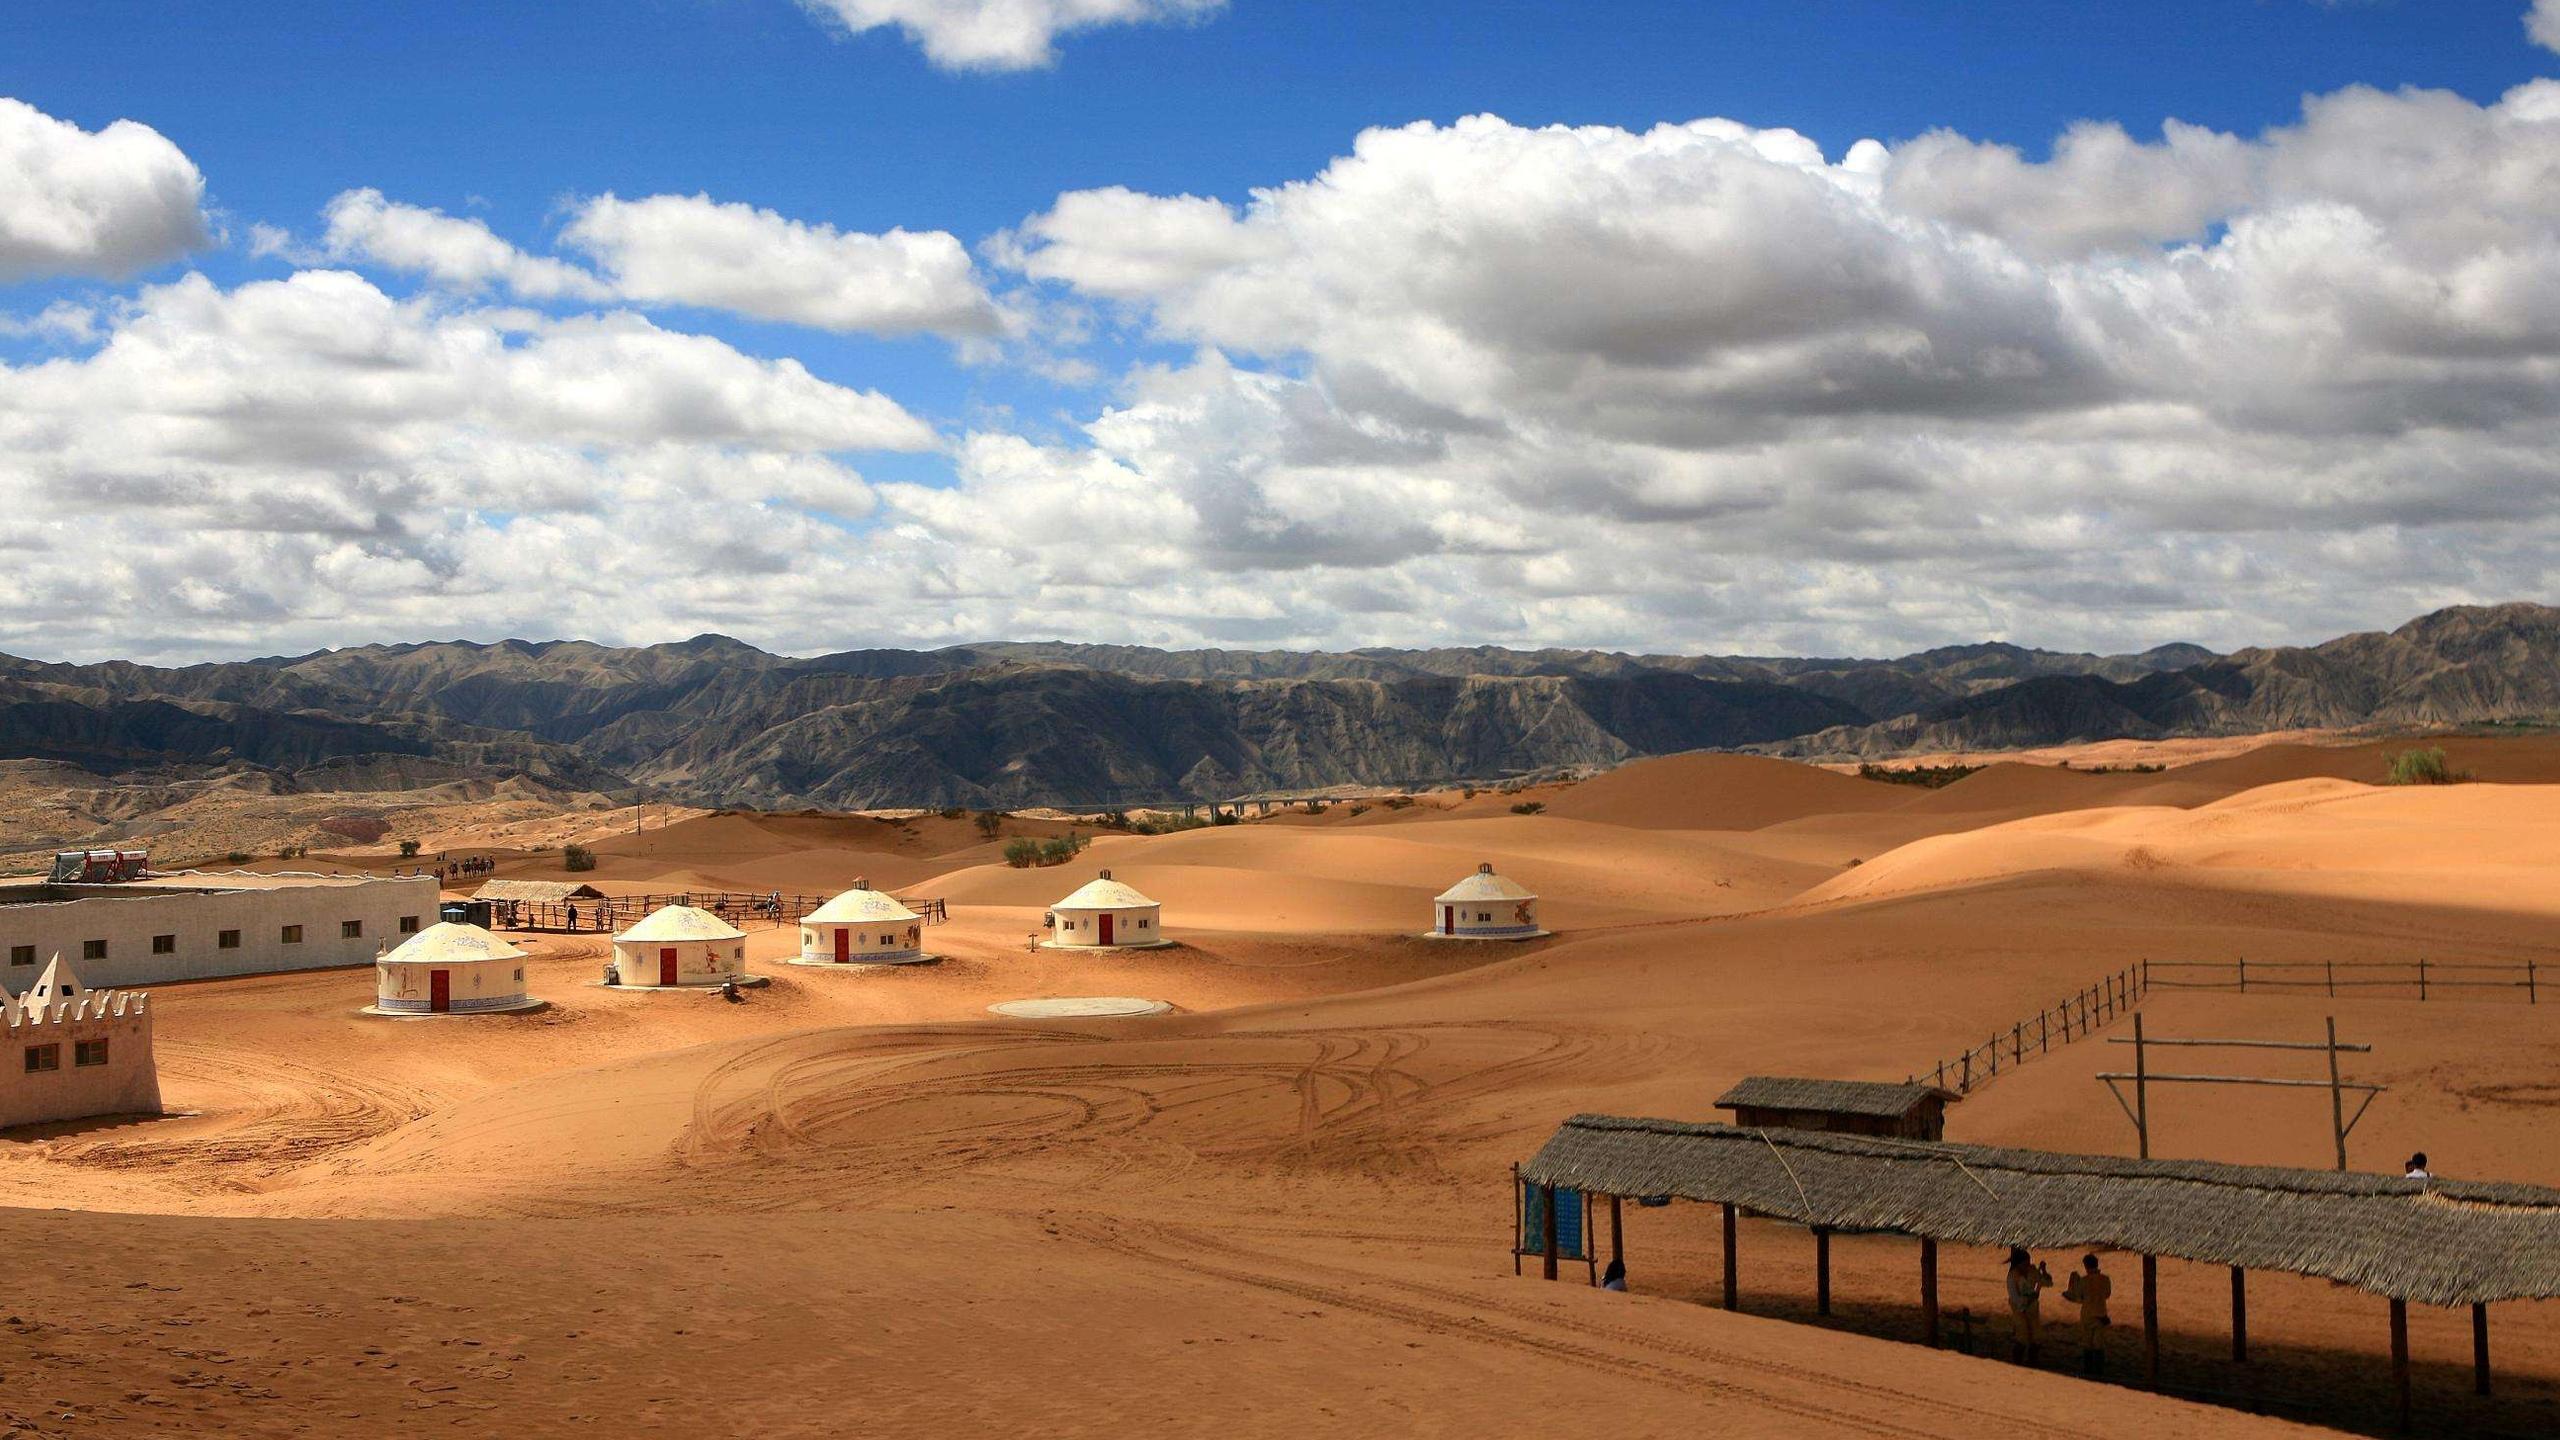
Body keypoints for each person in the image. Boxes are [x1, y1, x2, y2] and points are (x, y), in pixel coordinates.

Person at [2061, 1254, 2112, 1375]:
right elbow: (2107, 1294)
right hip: (2101, 1314)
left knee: (2087, 1344)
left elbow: (2078, 1296)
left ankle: (2088, 1371)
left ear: (2085, 1266)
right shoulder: (2105, 1279)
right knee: (2099, 1345)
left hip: (2087, 1314)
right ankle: (2099, 1371)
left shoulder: (2084, 1281)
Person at [2005, 1247, 2053, 1363]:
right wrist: (2028, 1300)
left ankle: (2033, 1361)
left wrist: (2043, 1271)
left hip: (2032, 1308)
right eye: (2025, 1263)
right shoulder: (2012, 1276)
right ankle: (2017, 1362)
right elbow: (2014, 1296)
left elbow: (2048, 1283)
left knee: (2036, 1336)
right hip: (2019, 1308)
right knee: (2022, 1335)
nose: (2027, 1265)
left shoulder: (2032, 1270)